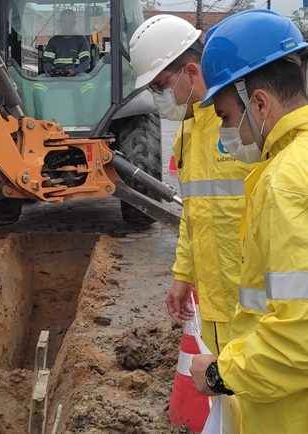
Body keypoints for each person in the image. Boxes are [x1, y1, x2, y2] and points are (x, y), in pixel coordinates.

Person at [189, 10, 308, 434]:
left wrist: (221, 373)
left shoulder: (284, 182)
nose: (226, 132)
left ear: (258, 102)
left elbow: (300, 335)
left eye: (224, 117)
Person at [129, 15, 253, 356]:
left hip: (258, 308)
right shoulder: (188, 132)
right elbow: (193, 216)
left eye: (161, 85)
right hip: (216, 306)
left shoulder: (244, 124)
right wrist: (183, 275)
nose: (159, 96)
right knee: (227, 399)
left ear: (191, 72)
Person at [42, 9, 91, 77]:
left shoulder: (81, 40)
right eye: (64, 22)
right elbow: (47, 61)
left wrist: (75, 71)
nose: (67, 24)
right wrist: (52, 70)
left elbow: (85, 62)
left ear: (74, 23)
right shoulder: (53, 41)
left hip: (78, 79)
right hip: (56, 78)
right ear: (60, 23)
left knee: (89, 85)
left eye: (69, 22)